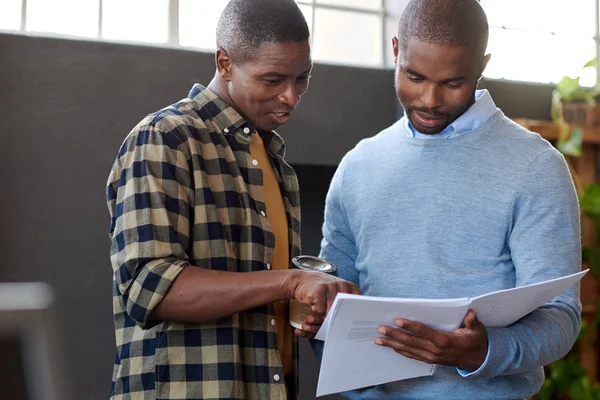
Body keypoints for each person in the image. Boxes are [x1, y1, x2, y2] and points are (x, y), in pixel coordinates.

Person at [317, 0, 582, 398]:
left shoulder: (535, 166)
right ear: (396, 51)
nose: (429, 99)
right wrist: (316, 319)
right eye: (414, 76)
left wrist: (484, 351)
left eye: (453, 83)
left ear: (482, 65)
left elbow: (560, 316)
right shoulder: (358, 164)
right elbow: (334, 294)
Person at [105, 0, 360, 399]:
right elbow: (150, 286)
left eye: (302, 79)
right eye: (273, 79)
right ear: (225, 63)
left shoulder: (275, 162)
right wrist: (290, 281)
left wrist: (307, 310)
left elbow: (262, 296)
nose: (291, 96)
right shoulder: (165, 138)